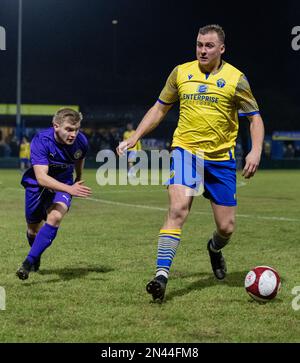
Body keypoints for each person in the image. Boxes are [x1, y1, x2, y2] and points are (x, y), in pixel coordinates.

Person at [117, 24, 265, 302]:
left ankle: (214, 249)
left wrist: (255, 150)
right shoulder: (181, 72)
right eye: (199, 44)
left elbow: (255, 118)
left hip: (221, 160)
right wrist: (135, 136)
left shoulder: (236, 79)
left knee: (226, 228)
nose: (202, 50)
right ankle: (161, 276)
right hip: (186, 152)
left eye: (209, 46)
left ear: (222, 48)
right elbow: (160, 107)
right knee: (177, 209)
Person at [16, 108, 92, 280]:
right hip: (37, 186)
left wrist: (77, 178)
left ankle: (27, 263)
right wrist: (71, 189)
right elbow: (42, 178)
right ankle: (36, 251)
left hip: (64, 183)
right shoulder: (41, 140)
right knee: (33, 230)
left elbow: (80, 157)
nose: (73, 134)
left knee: (55, 217)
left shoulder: (81, 141)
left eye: (76, 129)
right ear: (56, 126)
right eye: (69, 129)